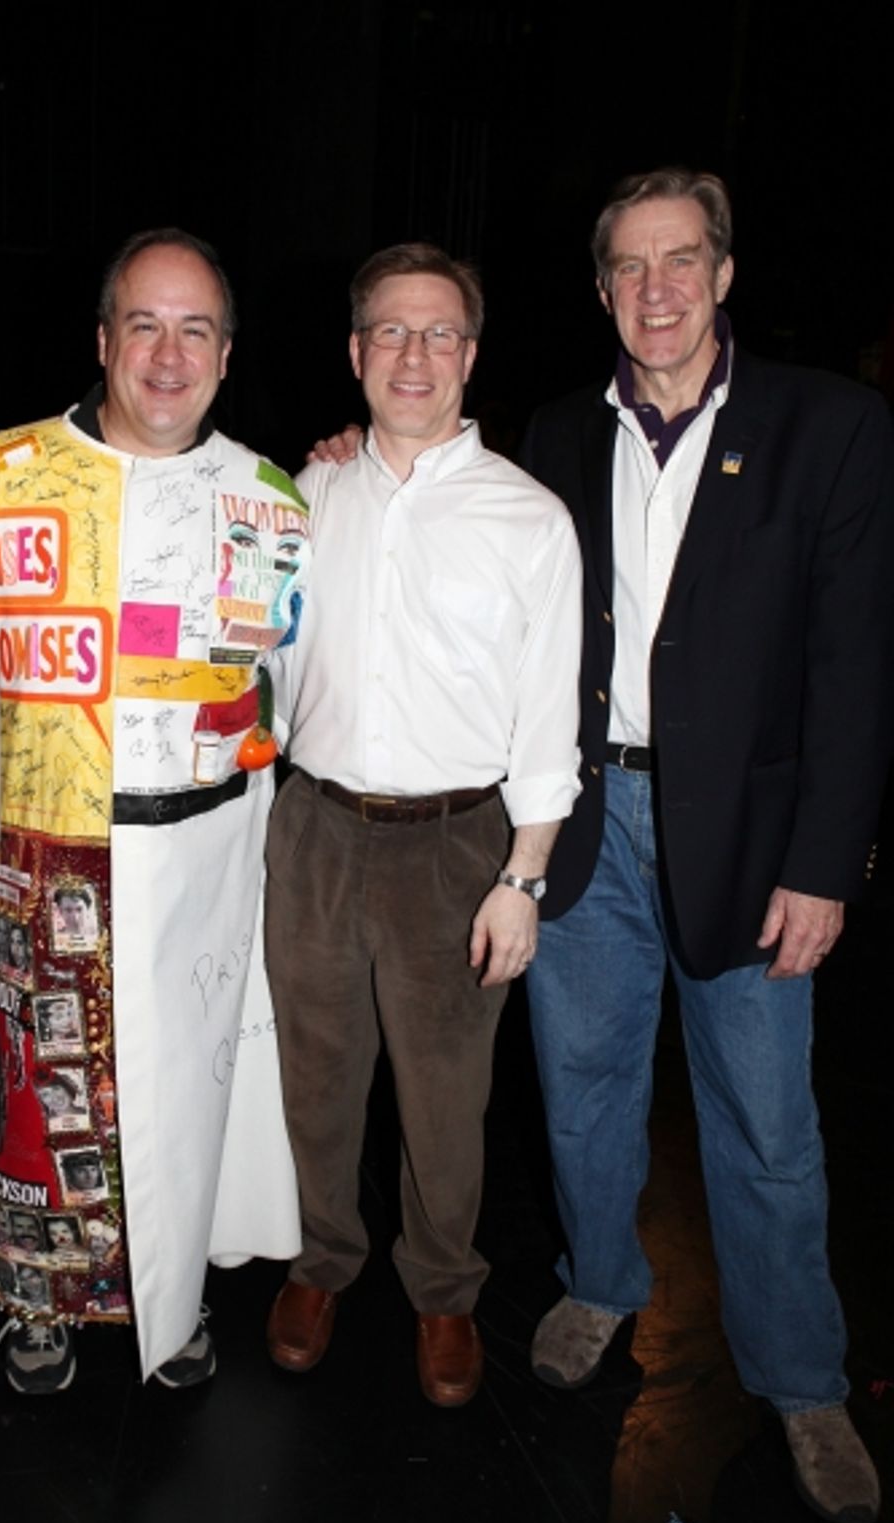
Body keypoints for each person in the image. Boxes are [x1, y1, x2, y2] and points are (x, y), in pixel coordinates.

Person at [519, 168, 894, 1523]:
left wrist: (826, 859)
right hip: (586, 823)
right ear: (603, 284)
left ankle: (802, 1376)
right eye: (631, 265)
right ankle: (600, 1279)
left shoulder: (832, 426)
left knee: (768, 1122)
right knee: (582, 1084)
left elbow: (854, 667)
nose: (658, 289)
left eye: (684, 260)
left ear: (725, 273)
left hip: (750, 835)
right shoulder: (555, 433)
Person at [0, 227, 310, 1394]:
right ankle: (37, 1300)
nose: (169, 353)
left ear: (227, 356)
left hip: (205, 847)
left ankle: (168, 1296)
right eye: (145, 323)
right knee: (40, 1097)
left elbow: (300, 677)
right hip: (44, 840)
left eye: (196, 330)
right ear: (103, 340)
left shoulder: (272, 499)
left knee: (176, 1099)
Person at [264, 244, 582, 1407]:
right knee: (318, 1077)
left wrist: (525, 876)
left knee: (448, 1096)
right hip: (314, 827)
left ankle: (444, 1291)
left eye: (438, 333)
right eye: (390, 332)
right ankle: (321, 1262)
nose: (413, 354)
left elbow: (551, 717)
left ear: (471, 355)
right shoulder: (299, 499)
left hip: (459, 844)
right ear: (355, 355)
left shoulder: (530, 520)